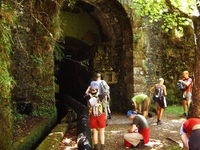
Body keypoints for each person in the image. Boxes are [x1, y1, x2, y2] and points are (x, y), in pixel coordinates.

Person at [85, 81, 106, 150]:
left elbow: (84, 96)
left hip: (93, 116)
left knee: (94, 131)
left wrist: (87, 90)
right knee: (102, 131)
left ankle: (95, 146)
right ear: (96, 88)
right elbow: (105, 92)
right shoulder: (100, 95)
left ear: (90, 88)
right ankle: (102, 146)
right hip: (100, 115)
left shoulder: (88, 96)